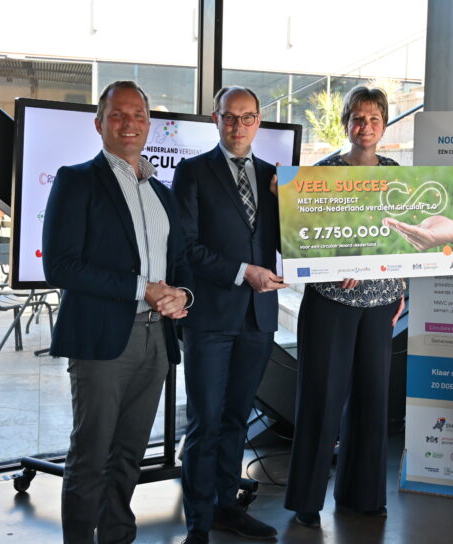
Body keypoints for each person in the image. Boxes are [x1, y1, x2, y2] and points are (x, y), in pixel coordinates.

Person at [42, 80, 193, 544]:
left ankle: (117, 536)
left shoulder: (162, 193)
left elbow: (180, 264)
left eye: (138, 115)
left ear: (149, 124)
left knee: (129, 453)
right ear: (99, 123)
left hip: (156, 340)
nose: (130, 123)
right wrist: (141, 288)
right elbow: (60, 265)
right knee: (91, 454)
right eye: (118, 115)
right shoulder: (77, 180)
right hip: (103, 339)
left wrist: (182, 295)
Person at [284, 86, 405, 529]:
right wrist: (334, 268)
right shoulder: (321, 174)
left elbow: (402, 238)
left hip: (380, 303)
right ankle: (307, 499)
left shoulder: (395, 174)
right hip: (330, 303)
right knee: (321, 398)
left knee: (372, 400)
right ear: (345, 124)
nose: (365, 126)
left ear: (384, 125)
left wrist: (400, 287)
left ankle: (363, 496)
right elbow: (301, 241)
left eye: (374, 119)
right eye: (357, 118)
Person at [171, 86, 284, 544]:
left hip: (258, 317)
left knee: (237, 418)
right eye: (230, 117)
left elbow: (295, 241)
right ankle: (198, 523)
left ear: (259, 121)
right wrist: (242, 272)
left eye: (247, 117)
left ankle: (226, 508)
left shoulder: (276, 177)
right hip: (210, 318)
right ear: (215, 119)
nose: (238, 126)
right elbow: (186, 247)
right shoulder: (193, 172)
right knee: (206, 422)